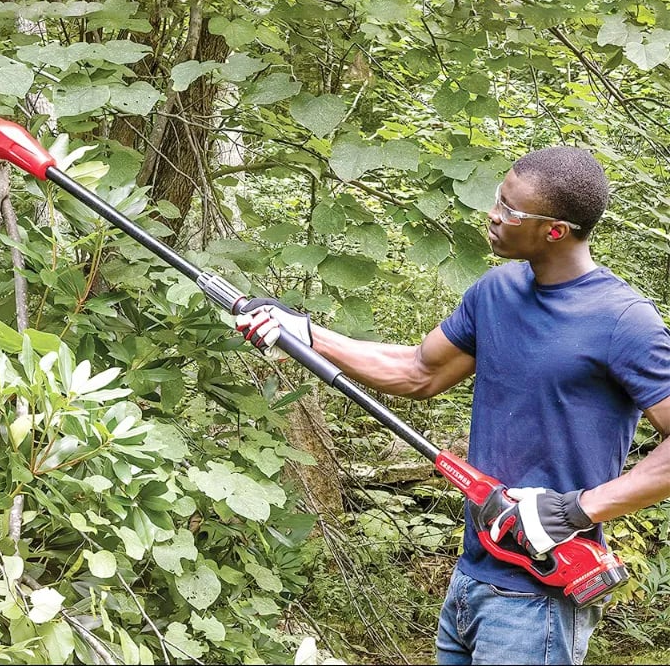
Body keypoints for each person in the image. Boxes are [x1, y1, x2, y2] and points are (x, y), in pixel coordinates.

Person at [235, 147, 670, 665]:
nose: (493, 213)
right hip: (470, 577)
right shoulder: (496, 291)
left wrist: (577, 509)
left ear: (555, 230)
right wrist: (306, 333)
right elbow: (419, 371)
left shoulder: (623, 320)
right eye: (497, 197)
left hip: (539, 596)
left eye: (510, 209)